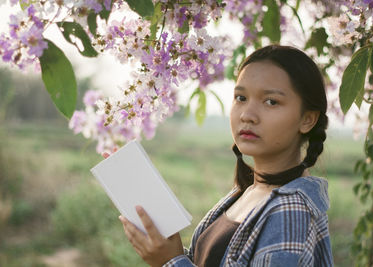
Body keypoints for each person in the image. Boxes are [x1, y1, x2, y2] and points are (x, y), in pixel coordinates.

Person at [108, 45, 334, 266]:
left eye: (271, 102)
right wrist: (167, 251)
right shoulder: (249, 191)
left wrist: (169, 261)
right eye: (241, 98)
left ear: (307, 119)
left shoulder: (289, 209)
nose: (247, 115)